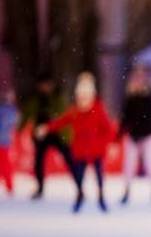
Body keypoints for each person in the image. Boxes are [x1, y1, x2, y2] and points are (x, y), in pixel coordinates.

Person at [41, 72, 114, 213]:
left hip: (96, 149)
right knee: (79, 175)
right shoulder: (74, 111)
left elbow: (108, 129)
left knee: (99, 176)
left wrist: (105, 143)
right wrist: (46, 128)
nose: (83, 101)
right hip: (80, 149)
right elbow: (61, 121)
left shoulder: (98, 109)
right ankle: (80, 195)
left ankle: (100, 196)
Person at [20, 75, 75, 200]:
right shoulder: (35, 98)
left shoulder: (57, 97)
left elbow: (63, 114)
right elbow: (27, 114)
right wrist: (20, 129)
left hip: (57, 133)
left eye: (46, 85)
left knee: (69, 158)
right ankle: (40, 187)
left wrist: (51, 122)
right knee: (39, 161)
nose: (44, 88)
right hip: (41, 134)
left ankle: (78, 185)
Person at [118, 67, 151, 206]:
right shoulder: (130, 97)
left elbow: (148, 117)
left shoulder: (149, 96)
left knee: (150, 164)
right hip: (133, 136)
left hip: (147, 135)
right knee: (129, 165)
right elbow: (126, 117)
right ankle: (127, 191)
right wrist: (119, 134)